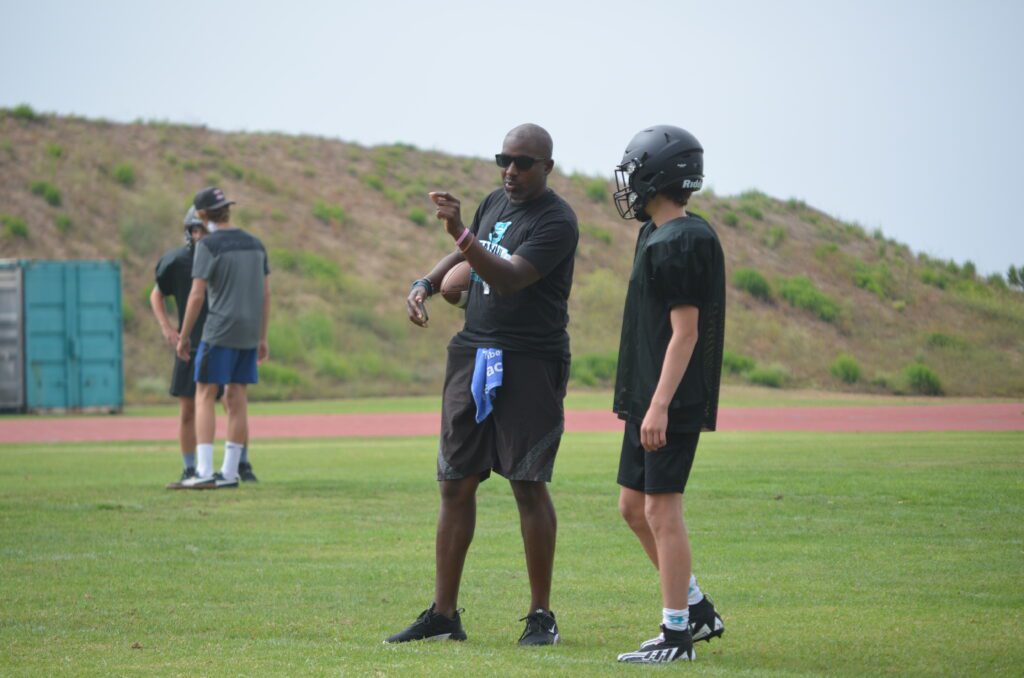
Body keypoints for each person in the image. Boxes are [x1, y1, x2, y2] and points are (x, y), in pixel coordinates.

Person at [386, 124, 578, 646]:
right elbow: (465, 258)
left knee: (527, 481)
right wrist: (425, 282)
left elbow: (512, 275)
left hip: (529, 358)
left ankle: (541, 615)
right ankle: (444, 616)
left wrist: (461, 237)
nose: (510, 172)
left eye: (522, 163)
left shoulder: (558, 220)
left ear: (547, 168)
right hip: (475, 348)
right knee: (455, 481)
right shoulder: (494, 201)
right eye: (504, 160)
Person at [609, 126, 726, 663]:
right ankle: (696, 607)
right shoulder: (656, 235)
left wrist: (658, 405)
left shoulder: (683, 239)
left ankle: (677, 635)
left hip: (669, 400)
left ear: (659, 174)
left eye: (636, 170)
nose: (630, 182)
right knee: (633, 507)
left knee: (661, 510)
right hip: (648, 398)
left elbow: (686, 333)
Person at [151, 206, 259, 489]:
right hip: (194, 343)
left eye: (204, 228)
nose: (200, 234)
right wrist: (167, 328)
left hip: (221, 339)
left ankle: (239, 464)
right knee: (189, 409)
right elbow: (157, 295)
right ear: (189, 232)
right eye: (195, 229)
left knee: (231, 401)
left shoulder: (225, 256)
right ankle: (191, 468)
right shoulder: (177, 261)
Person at [175, 187, 270, 490]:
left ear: (202, 215)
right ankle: (229, 473)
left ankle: (203, 470)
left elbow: (196, 294)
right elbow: (265, 293)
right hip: (249, 331)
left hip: (219, 329)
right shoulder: (256, 244)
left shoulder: (208, 245)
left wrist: (185, 335)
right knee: (237, 397)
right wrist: (262, 336)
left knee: (205, 393)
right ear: (227, 209)